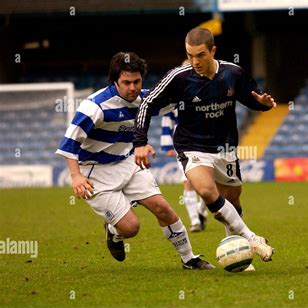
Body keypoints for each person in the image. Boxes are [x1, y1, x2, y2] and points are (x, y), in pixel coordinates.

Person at [55, 51, 214, 270]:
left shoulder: (144, 100)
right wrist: (75, 176)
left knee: (163, 208)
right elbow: (69, 143)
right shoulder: (95, 107)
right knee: (131, 228)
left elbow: (177, 100)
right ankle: (113, 232)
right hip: (95, 173)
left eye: (137, 82)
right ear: (114, 81)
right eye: (126, 82)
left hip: (128, 162)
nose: (133, 88)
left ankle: (189, 259)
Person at [134, 28, 276, 264]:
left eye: (200, 55)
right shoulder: (178, 77)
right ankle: (252, 239)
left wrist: (262, 104)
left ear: (213, 51)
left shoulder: (233, 73)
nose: (195, 61)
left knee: (232, 201)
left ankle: (237, 256)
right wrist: (140, 141)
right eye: (190, 55)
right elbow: (147, 102)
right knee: (207, 191)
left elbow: (253, 98)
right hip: (192, 146)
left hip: (225, 148)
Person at [161, 109, 208, 232]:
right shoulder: (174, 96)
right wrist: (167, 145)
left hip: (204, 141)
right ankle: (195, 221)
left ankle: (200, 210)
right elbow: (167, 118)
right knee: (188, 181)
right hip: (182, 143)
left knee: (207, 182)